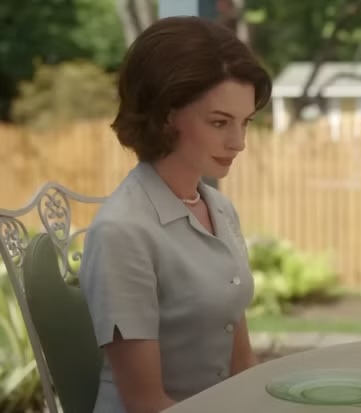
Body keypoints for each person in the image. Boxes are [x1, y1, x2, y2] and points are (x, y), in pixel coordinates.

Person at [78, 16, 272, 413]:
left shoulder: (220, 210)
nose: (239, 143)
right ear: (166, 115)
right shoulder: (123, 231)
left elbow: (241, 367)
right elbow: (146, 404)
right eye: (220, 122)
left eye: (245, 122)